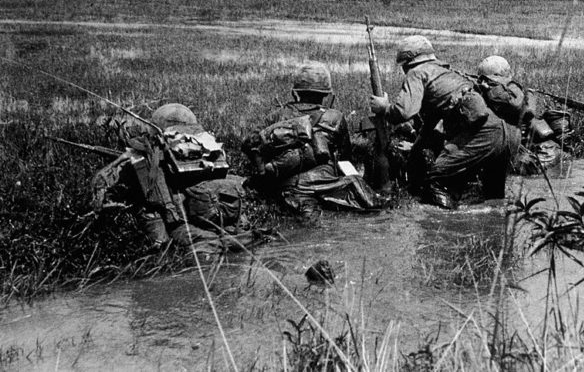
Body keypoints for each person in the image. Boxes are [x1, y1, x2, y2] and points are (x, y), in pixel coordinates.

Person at [92, 103, 263, 257]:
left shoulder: (151, 153)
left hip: (188, 231)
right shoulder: (208, 147)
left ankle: (161, 252)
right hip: (234, 229)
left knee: (148, 209)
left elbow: (101, 180)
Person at [370, 36, 519, 209]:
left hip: (484, 137)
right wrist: (415, 150)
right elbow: (430, 126)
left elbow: (404, 112)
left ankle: (445, 226)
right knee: (494, 199)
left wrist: (384, 107)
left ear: (407, 62)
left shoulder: (417, 72)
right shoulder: (446, 73)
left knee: (436, 181)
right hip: (508, 135)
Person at [243, 62, 379, 220]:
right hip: (330, 185)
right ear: (326, 94)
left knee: (308, 218)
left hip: (290, 188)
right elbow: (345, 158)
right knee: (371, 205)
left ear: (296, 92)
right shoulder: (335, 117)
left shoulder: (278, 116)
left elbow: (249, 143)